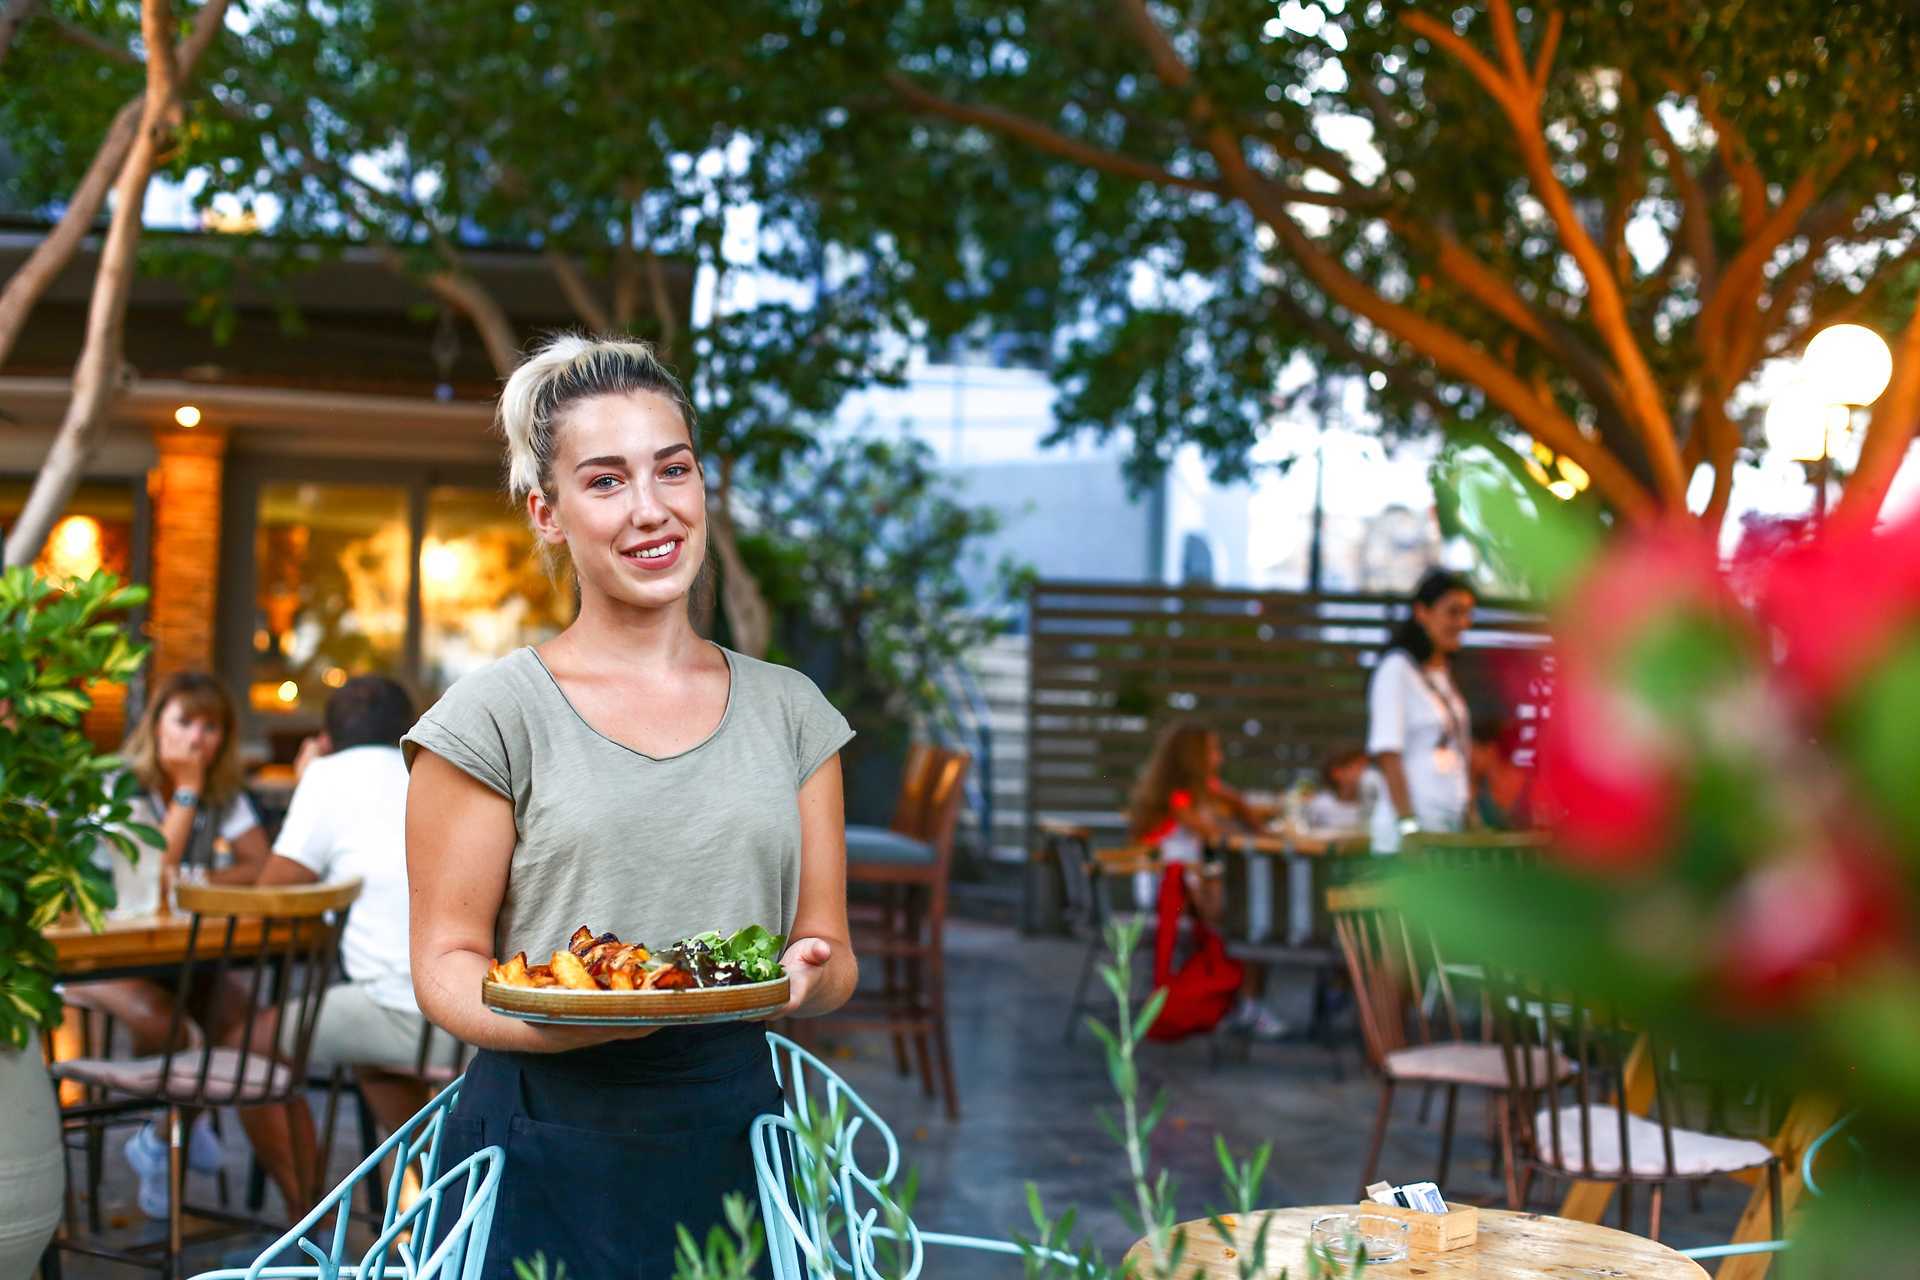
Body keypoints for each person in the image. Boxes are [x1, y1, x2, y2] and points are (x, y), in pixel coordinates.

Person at [402, 334, 857, 1279]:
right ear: (550, 512)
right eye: (605, 481)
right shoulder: (493, 717)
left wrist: (810, 974)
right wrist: (581, 1023)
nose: (651, 510)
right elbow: (446, 966)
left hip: (737, 1130)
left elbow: (831, 951)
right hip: (541, 1134)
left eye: (673, 470)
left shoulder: (793, 713)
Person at [225, 674, 427, 1213]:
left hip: (402, 1009)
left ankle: (306, 1221)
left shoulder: (330, 776)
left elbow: (273, 891)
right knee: (366, 1057)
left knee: (248, 1049)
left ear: (327, 739)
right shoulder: (428, 767)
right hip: (469, 1007)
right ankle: (439, 1177)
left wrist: (306, 781)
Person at [78, 672, 269, 1217]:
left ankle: (162, 1136)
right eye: (184, 721)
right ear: (156, 723)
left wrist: (200, 878)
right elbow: (155, 875)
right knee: (173, 1027)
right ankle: (184, 1123)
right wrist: (184, 793)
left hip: (176, 955)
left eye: (211, 727)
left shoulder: (222, 792)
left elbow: (259, 866)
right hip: (98, 955)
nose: (197, 739)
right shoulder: (121, 786)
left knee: (238, 1018)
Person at [1127, 722, 1284, 1039]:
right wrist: (1235, 811)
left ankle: (1245, 1002)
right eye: (1213, 751)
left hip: (1184, 886)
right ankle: (1247, 1004)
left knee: (1254, 913)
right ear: (1193, 757)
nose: (1220, 758)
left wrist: (1232, 801)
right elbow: (1213, 834)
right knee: (1253, 916)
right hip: (1168, 890)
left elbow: (1236, 817)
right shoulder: (1180, 798)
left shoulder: (1191, 793)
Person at [1366, 569, 1476, 853]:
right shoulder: (1396, 669)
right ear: (1422, 612)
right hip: (1410, 841)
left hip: (1447, 834)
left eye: (1467, 613)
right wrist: (1408, 827)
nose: (1463, 623)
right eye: (1453, 612)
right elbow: (1388, 753)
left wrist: (1470, 815)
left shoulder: (1445, 675)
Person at [1471, 718, 1533, 830]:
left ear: (1490, 750)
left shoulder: (1527, 785)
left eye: (1475, 748)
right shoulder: (1479, 789)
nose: (1471, 756)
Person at [1302, 745, 1368, 833]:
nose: (1365, 772)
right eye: (1358, 767)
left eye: (1366, 767)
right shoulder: (1321, 806)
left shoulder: (1372, 806)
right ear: (1336, 773)